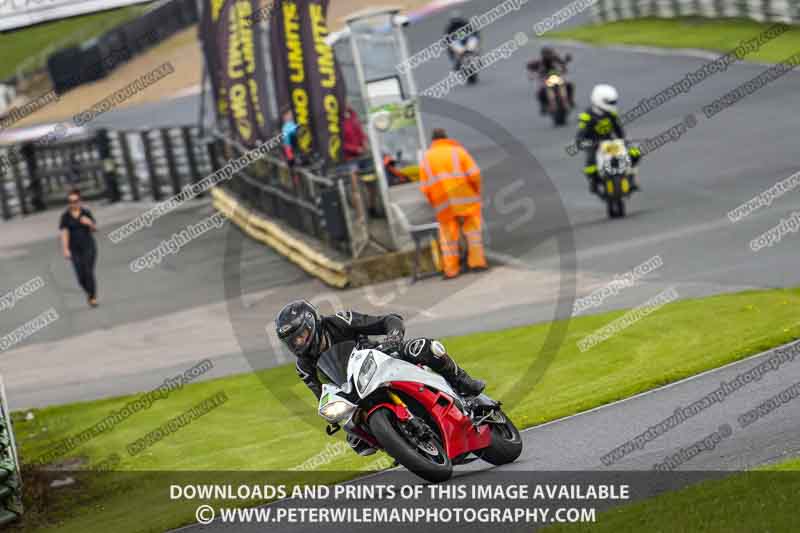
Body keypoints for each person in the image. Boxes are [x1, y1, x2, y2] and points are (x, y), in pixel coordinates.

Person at [275, 300, 486, 455]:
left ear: (311, 324)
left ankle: (462, 380)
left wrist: (393, 338)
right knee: (356, 438)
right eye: (291, 341)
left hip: (383, 359)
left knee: (424, 348)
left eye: (299, 336)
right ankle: (401, 445)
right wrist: (336, 416)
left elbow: (388, 320)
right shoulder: (304, 366)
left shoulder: (339, 322)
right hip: (354, 389)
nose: (297, 344)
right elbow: (321, 394)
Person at [419, 128, 487, 279]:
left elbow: (425, 187)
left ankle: (451, 270)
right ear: (446, 137)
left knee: (448, 238)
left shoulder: (427, 158)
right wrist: (476, 192)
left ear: (433, 141)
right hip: (466, 199)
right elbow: (475, 174)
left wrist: (434, 202)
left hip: (443, 204)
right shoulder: (458, 152)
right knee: (473, 233)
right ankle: (477, 264)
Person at [575, 84, 641, 194]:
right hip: (594, 143)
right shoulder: (586, 116)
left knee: (635, 153)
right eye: (610, 102)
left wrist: (624, 140)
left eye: (613, 102)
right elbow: (581, 133)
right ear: (599, 100)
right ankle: (594, 182)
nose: (612, 105)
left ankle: (631, 177)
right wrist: (582, 142)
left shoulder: (611, 115)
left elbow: (619, 130)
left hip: (611, 142)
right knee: (591, 161)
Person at [59, 189, 98, 307]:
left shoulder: (86, 212)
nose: (73, 203)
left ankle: (92, 297)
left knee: (88, 271)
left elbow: (94, 229)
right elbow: (64, 233)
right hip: (74, 249)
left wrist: (89, 223)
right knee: (80, 276)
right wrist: (65, 249)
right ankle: (89, 292)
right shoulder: (65, 216)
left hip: (88, 247)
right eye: (70, 201)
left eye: (75, 201)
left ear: (80, 201)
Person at [527, 47, 575, 114]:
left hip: (556, 78)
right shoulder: (539, 62)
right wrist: (532, 75)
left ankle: (570, 100)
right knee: (540, 91)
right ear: (543, 55)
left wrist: (564, 67)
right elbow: (531, 68)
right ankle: (543, 105)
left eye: (550, 53)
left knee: (569, 85)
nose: (549, 55)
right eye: (546, 54)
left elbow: (563, 63)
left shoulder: (556, 58)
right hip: (545, 80)